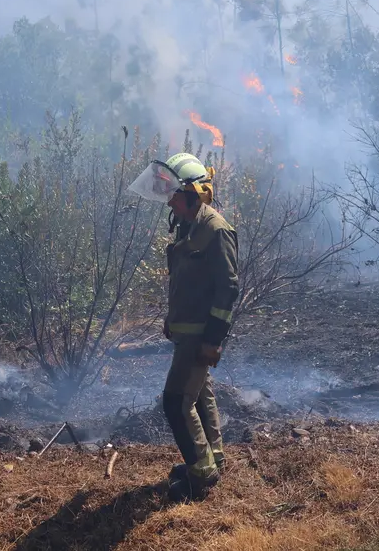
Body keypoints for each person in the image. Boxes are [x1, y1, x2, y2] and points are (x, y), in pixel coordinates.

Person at [126, 152, 239, 502]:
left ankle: (200, 475)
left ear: (195, 193)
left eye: (175, 194)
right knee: (199, 392)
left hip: (200, 334)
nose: (170, 200)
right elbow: (185, 282)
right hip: (186, 331)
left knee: (175, 402)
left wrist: (213, 340)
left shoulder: (214, 230)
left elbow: (228, 288)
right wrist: (170, 320)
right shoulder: (187, 227)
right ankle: (212, 459)